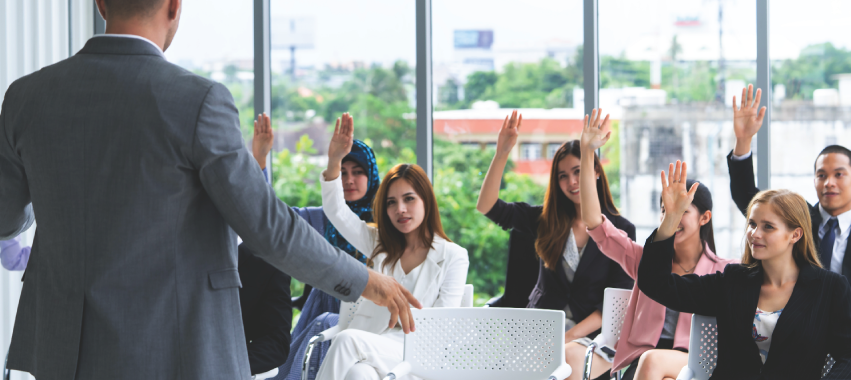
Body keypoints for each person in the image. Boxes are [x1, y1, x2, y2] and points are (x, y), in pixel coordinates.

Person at [0, 1, 421, 379]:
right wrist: (366, 279)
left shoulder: (25, 97)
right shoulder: (196, 100)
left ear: (101, 4)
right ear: (173, 7)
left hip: (63, 347)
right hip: (175, 345)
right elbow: (268, 227)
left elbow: (5, 218)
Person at [637, 161, 851, 379]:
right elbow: (657, 284)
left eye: (768, 226)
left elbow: (848, 356)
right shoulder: (732, 280)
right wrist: (671, 219)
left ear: (795, 235)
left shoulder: (830, 288)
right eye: (752, 224)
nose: (755, 234)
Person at [576, 112, 737, 380]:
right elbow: (595, 223)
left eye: (681, 210)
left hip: (695, 365)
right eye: (664, 210)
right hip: (643, 363)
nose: (669, 217)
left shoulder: (725, 272)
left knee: (655, 362)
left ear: (704, 218)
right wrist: (586, 152)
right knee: (651, 362)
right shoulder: (647, 263)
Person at [314, 114, 470, 380]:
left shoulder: (453, 256)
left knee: (346, 340)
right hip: (373, 343)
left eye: (409, 199)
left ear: (426, 202)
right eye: (391, 203)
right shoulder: (378, 243)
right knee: (358, 375)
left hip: (419, 350)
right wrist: (334, 160)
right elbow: (336, 211)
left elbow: (442, 326)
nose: (400, 209)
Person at [476, 110, 635, 371]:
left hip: (592, 338)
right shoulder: (544, 219)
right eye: (563, 175)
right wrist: (502, 152)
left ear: (595, 171)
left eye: (577, 171)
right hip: (538, 330)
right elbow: (488, 206)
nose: (572, 182)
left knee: (564, 363)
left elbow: (612, 305)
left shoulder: (620, 230)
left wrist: (564, 340)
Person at [276, 114, 382, 380]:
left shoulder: (388, 223)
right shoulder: (319, 218)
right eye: (343, 172)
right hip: (326, 311)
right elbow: (272, 220)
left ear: (372, 175)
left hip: (374, 316)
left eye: (358, 172)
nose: (349, 180)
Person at [728, 84, 851, 278]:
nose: (829, 183)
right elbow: (746, 194)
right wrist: (743, 141)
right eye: (821, 175)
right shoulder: (797, 217)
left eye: (839, 174)